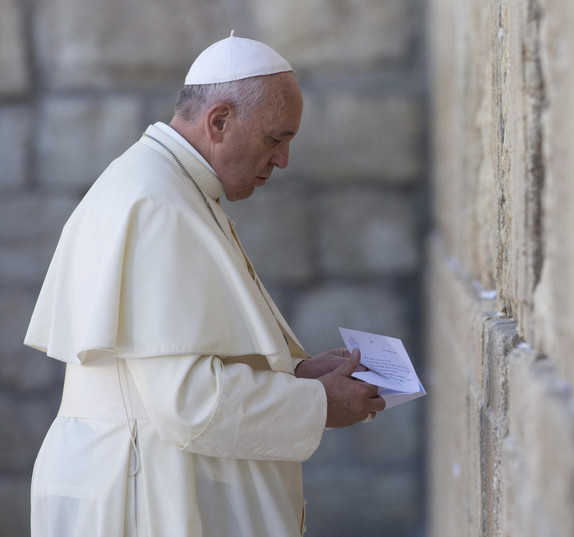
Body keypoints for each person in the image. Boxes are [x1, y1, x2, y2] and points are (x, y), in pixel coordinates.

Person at [24, 33, 385, 536]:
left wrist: (296, 373)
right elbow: (188, 402)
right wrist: (320, 404)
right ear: (219, 121)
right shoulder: (157, 203)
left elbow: (186, 359)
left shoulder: (168, 185)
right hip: (139, 496)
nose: (282, 161)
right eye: (274, 139)